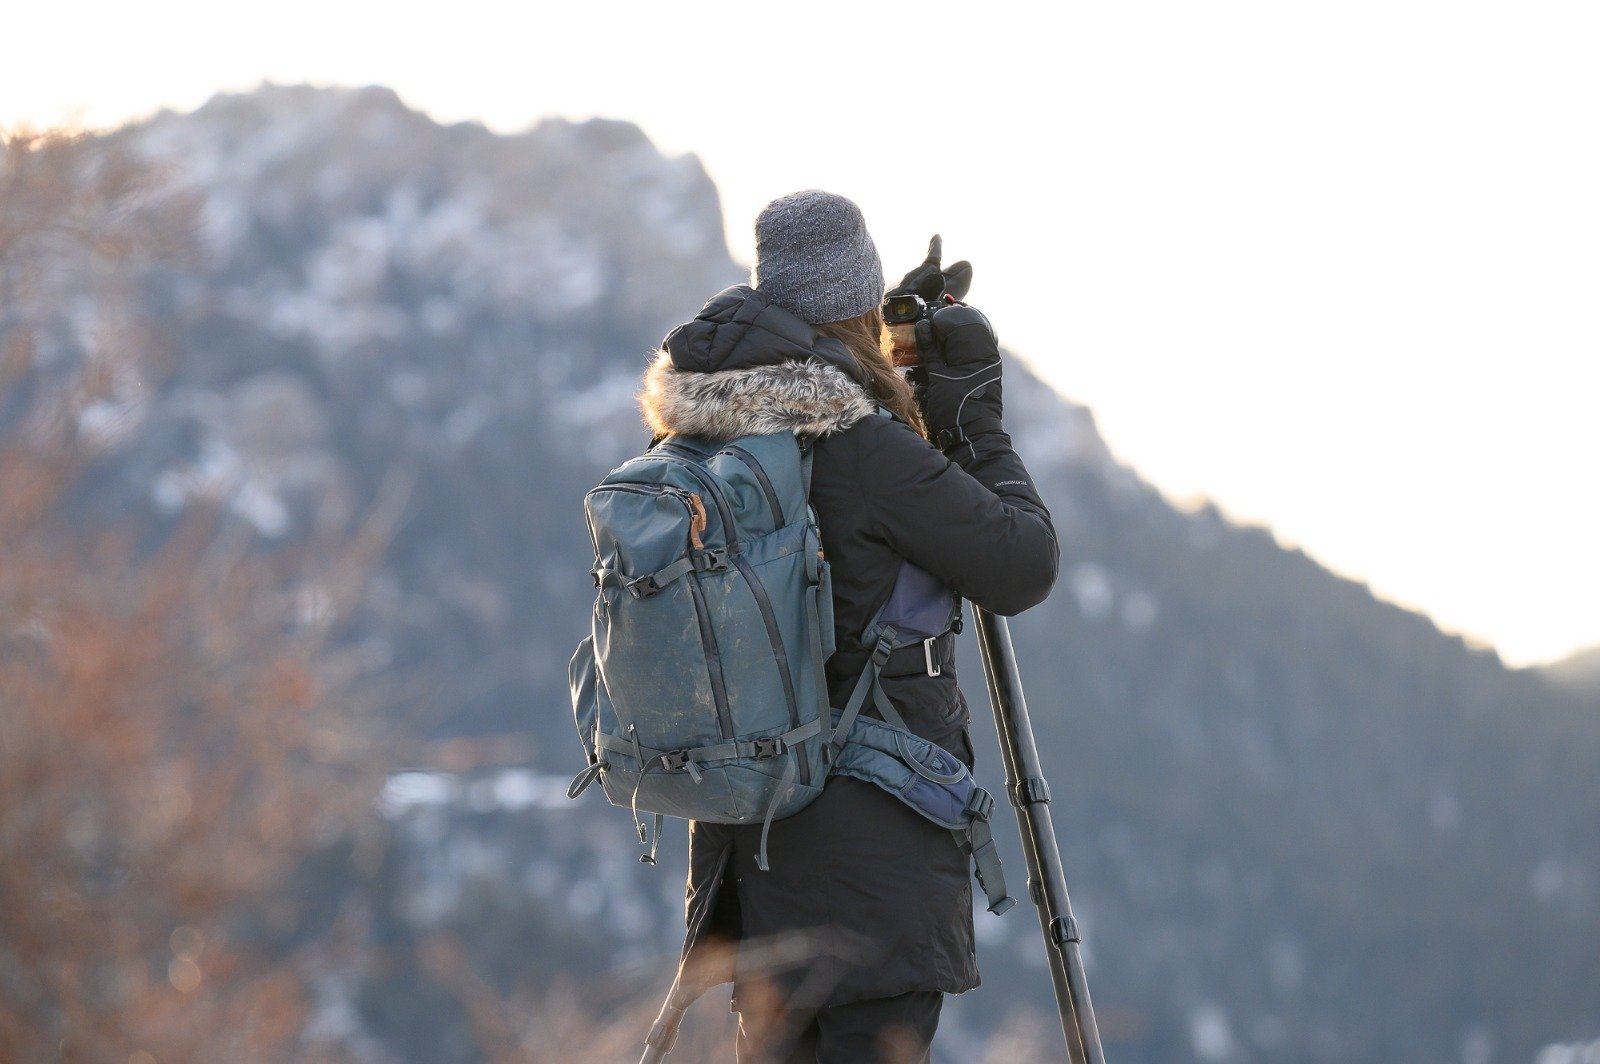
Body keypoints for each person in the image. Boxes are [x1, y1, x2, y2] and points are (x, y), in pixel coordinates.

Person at [636, 189, 1059, 1063]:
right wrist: (974, 426)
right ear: (860, 304)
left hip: (750, 871)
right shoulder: (859, 448)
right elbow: (1022, 562)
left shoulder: (699, 441)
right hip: (873, 882)